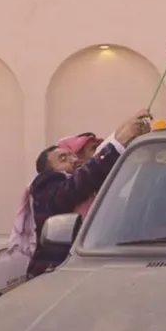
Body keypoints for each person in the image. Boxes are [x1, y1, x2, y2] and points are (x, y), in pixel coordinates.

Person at [12, 111, 150, 277]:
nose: (73, 160)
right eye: (63, 158)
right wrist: (118, 143)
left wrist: (126, 131)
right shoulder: (46, 184)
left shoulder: (86, 191)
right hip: (54, 274)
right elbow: (76, 185)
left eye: (72, 156)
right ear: (48, 170)